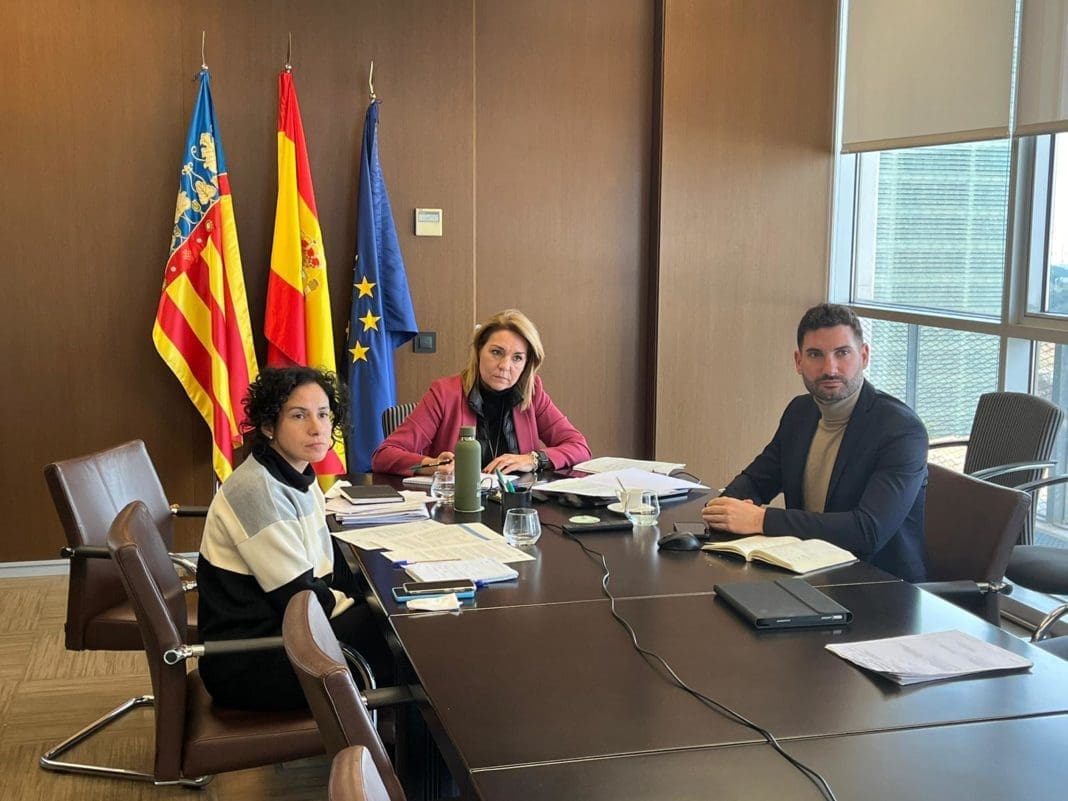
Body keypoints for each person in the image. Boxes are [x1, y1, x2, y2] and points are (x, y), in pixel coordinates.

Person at [197, 366, 391, 711]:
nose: (317, 428)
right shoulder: (257, 491)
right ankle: (393, 744)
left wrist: (370, 597)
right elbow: (300, 598)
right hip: (252, 661)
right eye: (299, 416)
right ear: (268, 425)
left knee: (399, 624)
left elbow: (328, 566)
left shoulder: (298, 473)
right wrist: (368, 604)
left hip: (290, 634)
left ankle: (394, 738)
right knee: (403, 645)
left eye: (323, 414)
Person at [702, 304, 929, 582]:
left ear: (864, 356)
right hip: (808, 574)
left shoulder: (901, 430)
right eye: (815, 355)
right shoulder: (800, 412)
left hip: (880, 587)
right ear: (798, 361)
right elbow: (758, 480)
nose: (829, 368)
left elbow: (868, 530)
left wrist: (760, 519)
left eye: (842, 353)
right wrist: (723, 508)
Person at [371, 308, 591, 476]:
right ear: (478, 352)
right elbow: (384, 455)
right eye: (496, 352)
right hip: (458, 509)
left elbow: (579, 446)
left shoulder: (532, 393)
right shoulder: (444, 394)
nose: (505, 366)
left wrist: (533, 459)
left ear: (527, 364)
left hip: (517, 508)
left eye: (517, 358)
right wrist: (433, 465)